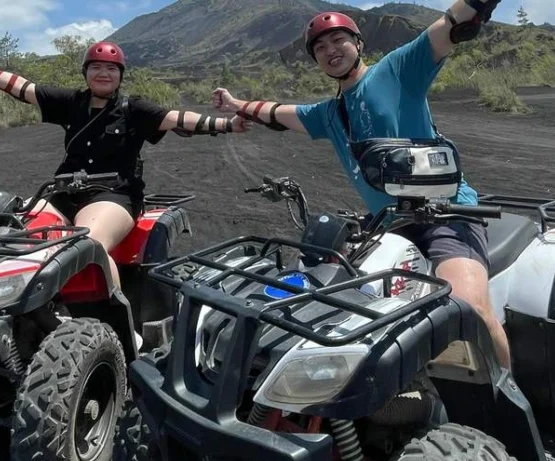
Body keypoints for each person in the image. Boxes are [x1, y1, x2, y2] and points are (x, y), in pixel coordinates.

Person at [210, 1, 512, 371]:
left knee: (468, 311)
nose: (330, 50)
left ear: (358, 43)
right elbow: (278, 113)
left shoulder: (397, 69)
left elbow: (450, 25)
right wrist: (236, 104)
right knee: (328, 297)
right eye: (320, 47)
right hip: (388, 225)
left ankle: (505, 393)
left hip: (447, 214)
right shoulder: (328, 113)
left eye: (338, 40)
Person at [0, 41, 247, 289]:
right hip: (63, 193)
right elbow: (22, 87)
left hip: (113, 195)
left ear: (120, 75)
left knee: (87, 244)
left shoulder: (134, 108)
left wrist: (228, 124)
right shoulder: (72, 102)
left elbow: (178, 118)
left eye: (111, 68)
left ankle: (117, 326)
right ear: (86, 72)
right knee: (13, 234)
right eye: (96, 67)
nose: (103, 73)